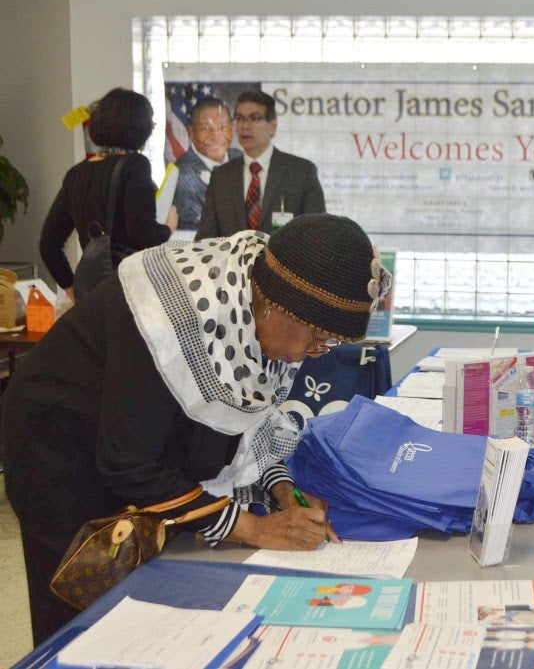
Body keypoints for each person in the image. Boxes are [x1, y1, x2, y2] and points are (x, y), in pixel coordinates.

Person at [2, 214, 391, 644]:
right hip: (60, 445)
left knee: (154, 605)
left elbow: (247, 419)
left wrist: (280, 485)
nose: (318, 353)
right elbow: (129, 464)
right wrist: (252, 527)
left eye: (332, 343)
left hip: (137, 440)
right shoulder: (168, 318)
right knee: (85, 605)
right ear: (275, 305)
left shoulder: (256, 301)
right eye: (319, 337)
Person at [39, 87, 177, 301]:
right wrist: (168, 227)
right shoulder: (135, 165)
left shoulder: (76, 174)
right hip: (131, 294)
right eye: (150, 123)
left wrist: (73, 289)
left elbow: (48, 244)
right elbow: (142, 234)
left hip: (94, 297)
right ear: (138, 127)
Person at [196, 90, 325, 238]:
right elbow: (205, 238)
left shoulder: (302, 172)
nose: (245, 126)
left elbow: (317, 235)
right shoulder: (221, 177)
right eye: (240, 119)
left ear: (272, 126)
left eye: (255, 118)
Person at [171, 97, 242, 231]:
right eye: (205, 128)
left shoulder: (241, 159)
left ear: (232, 128)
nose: (216, 136)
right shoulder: (181, 175)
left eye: (223, 127)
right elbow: (206, 228)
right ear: (191, 133)